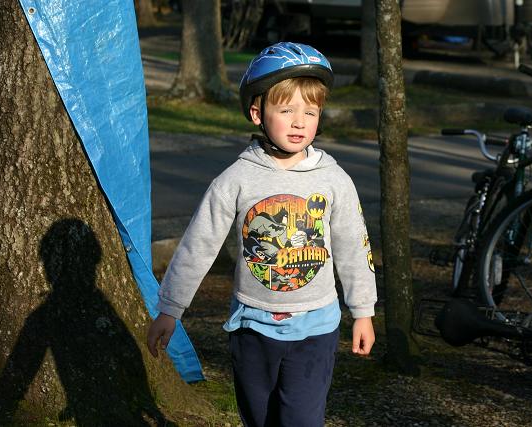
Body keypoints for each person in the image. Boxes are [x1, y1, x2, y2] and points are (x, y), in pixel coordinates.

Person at [147, 42, 377, 427]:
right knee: (258, 418)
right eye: (286, 110)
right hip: (252, 326)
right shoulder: (236, 179)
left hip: (315, 329)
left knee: (301, 420)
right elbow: (198, 246)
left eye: (310, 112)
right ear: (257, 113)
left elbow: (354, 247)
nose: (299, 122)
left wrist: (363, 312)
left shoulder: (334, 180)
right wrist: (170, 309)